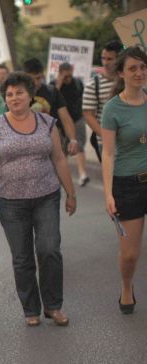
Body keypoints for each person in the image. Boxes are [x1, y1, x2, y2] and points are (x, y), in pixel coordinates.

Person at [0, 73, 77, 326]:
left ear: (31, 95)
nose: (14, 98)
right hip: (11, 202)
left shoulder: (47, 122)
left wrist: (71, 192)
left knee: (49, 250)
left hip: (46, 195)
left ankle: (54, 306)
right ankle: (30, 309)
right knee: (22, 257)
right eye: (9, 94)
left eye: (19, 92)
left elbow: (59, 158)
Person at [100, 46, 147, 315]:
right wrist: (108, 193)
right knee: (130, 254)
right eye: (133, 68)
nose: (139, 73)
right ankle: (127, 286)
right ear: (121, 73)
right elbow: (107, 153)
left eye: (142, 67)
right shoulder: (112, 108)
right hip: (127, 185)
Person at [22, 58, 79, 159]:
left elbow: (65, 118)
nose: (35, 83)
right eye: (31, 79)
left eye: (38, 78)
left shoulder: (52, 92)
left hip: (53, 143)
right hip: (26, 144)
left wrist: (73, 140)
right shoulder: (17, 95)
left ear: (42, 76)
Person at [83, 40, 125, 163]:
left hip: (133, 141)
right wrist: (106, 136)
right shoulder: (93, 85)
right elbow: (88, 115)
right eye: (103, 58)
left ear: (120, 59)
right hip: (108, 143)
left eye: (110, 59)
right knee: (113, 180)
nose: (105, 62)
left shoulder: (129, 80)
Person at [52, 62, 89, 186]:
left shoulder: (77, 83)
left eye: (70, 76)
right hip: (61, 122)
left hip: (77, 119)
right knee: (63, 150)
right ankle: (61, 175)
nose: (68, 79)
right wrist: (59, 82)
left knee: (79, 145)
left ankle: (82, 174)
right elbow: (52, 98)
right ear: (60, 73)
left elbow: (84, 98)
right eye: (65, 76)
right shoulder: (53, 85)